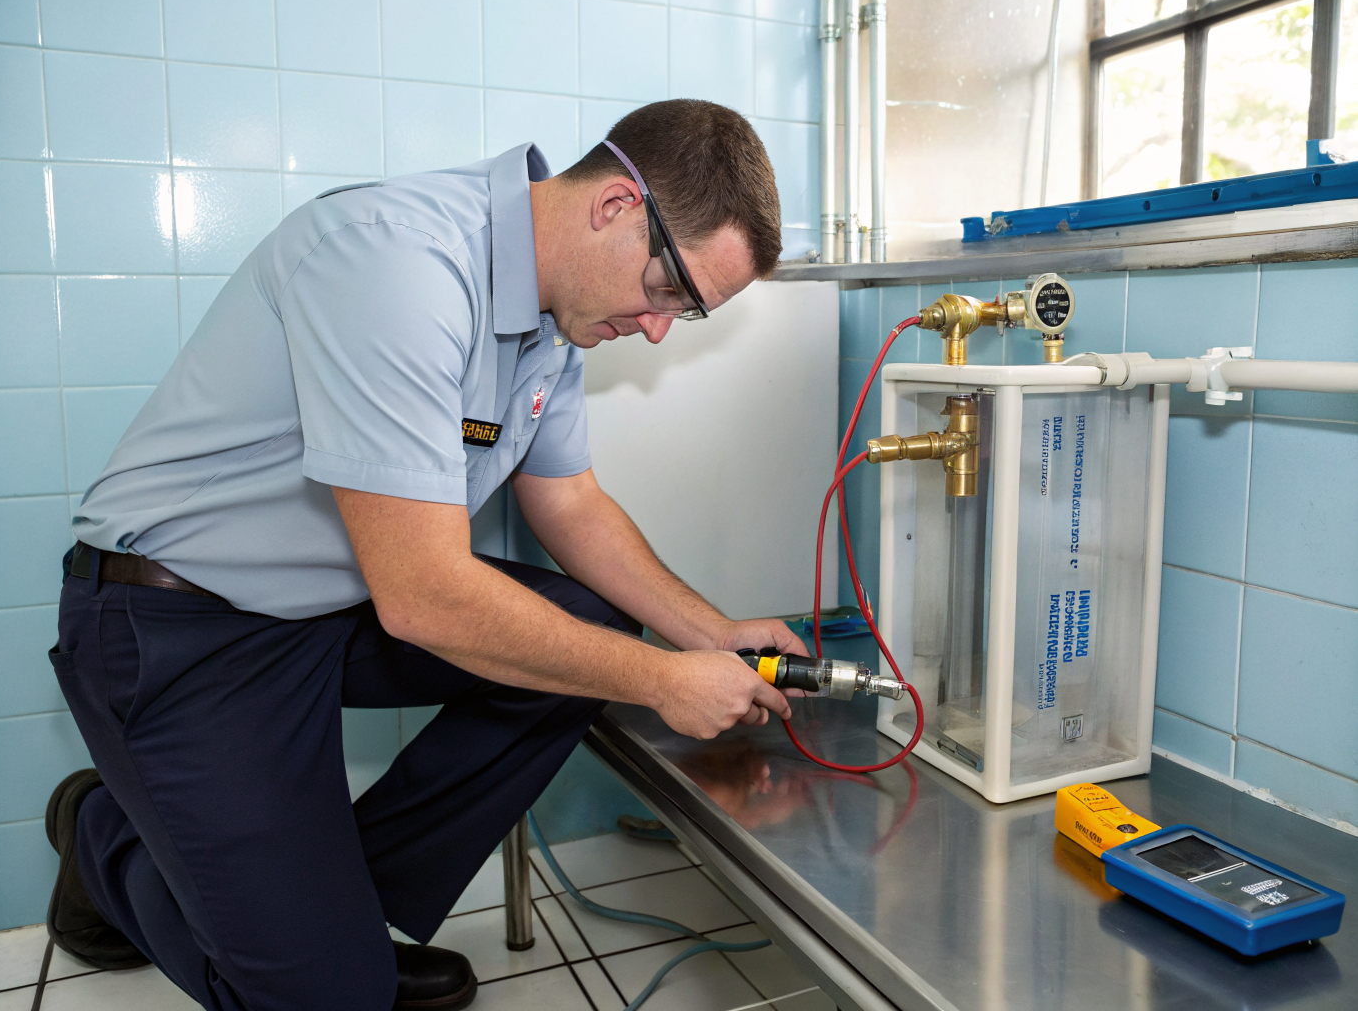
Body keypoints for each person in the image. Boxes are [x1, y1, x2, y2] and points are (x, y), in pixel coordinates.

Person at [45, 99, 808, 1010]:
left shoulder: (554, 323)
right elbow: (424, 598)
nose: (657, 327)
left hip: (321, 613)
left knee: (591, 626)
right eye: (672, 290)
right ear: (614, 205)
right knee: (325, 1001)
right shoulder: (396, 263)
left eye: (686, 316)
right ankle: (103, 831)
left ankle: (329, 914)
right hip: (175, 623)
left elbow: (570, 502)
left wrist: (709, 635)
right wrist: (662, 680)